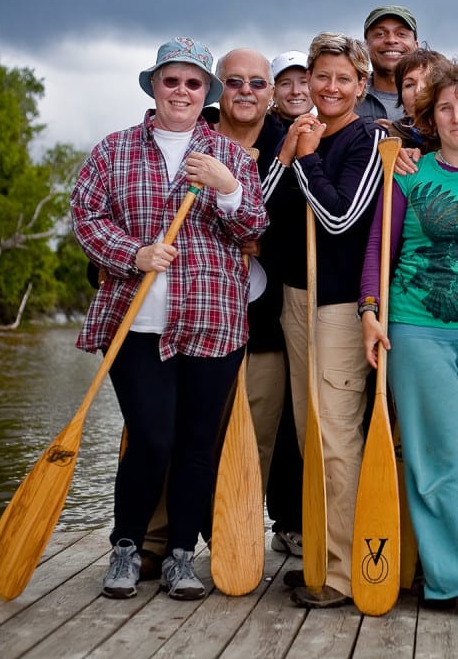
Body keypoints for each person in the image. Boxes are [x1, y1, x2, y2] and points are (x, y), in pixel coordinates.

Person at [71, 37, 267, 601]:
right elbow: (86, 217)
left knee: (196, 445)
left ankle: (182, 555)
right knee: (152, 438)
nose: (181, 91)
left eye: (193, 82)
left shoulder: (229, 156)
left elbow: (254, 229)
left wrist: (228, 189)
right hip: (136, 325)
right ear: (154, 86)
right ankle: (127, 548)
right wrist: (133, 255)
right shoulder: (114, 150)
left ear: (207, 92)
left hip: (214, 324)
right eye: (171, 80)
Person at [360, 60, 458, 621]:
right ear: (431, 116)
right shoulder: (404, 173)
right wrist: (369, 312)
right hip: (416, 325)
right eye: (445, 108)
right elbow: (379, 247)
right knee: (437, 453)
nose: (456, 117)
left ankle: (449, 571)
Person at [260, 32, 387, 609]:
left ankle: (345, 573)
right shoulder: (299, 134)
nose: (330, 87)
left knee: (336, 438)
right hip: (295, 300)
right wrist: (290, 154)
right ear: (308, 81)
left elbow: (339, 218)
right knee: (310, 435)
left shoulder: (369, 140)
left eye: (344, 79)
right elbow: (257, 216)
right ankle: (321, 555)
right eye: (322, 77)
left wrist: (308, 159)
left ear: (361, 87)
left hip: (339, 308)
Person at [211, 48, 302, 559]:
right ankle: (165, 539)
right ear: (219, 88)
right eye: (235, 82)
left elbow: (300, 228)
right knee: (188, 435)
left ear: (270, 95)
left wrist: (265, 241)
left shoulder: (282, 144)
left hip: (263, 324)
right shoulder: (196, 141)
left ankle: (239, 542)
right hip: (197, 321)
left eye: (257, 84)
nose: (246, 91)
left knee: (257, 443)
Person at [356, 5, 419, 122]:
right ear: (366, 46)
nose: (391, 40)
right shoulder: (349, 95)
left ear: (415, 46)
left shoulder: (435, 96)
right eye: (380, 34)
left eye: (401, 34)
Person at [270, 50, 313, 128]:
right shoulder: (258, 132)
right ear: (273, 92)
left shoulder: (327, 131)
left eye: (303, 82)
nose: (295, 91)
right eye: (285, 83)